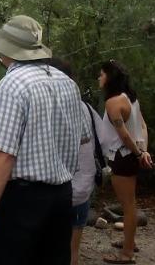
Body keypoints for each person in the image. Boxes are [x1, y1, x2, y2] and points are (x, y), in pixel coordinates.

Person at [0, 15, 84, 265]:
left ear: (7, 49)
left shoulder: (13, 84)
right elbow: (80, 139)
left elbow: (4, 153)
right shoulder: (67, 83)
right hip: (62, 196)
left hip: (22, 201)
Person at [48, 57, 106, 265]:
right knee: (72, 250)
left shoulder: (47, 108)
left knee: (48, 249)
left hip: (53, 191)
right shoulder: (86, 109)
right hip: (82, 188)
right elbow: (104, 141)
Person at [99, 60, 153, 264]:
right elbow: (143, 125)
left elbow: (123, 134)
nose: (99, 78)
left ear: (110, 78)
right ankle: (130, 242)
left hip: (123, 155)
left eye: (102, 74)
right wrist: (143, 150)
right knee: (130, 202)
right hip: (132, 154)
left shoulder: (113, 102)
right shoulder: (131, 99)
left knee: (128, 205)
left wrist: (139, 154)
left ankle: (127, 253)